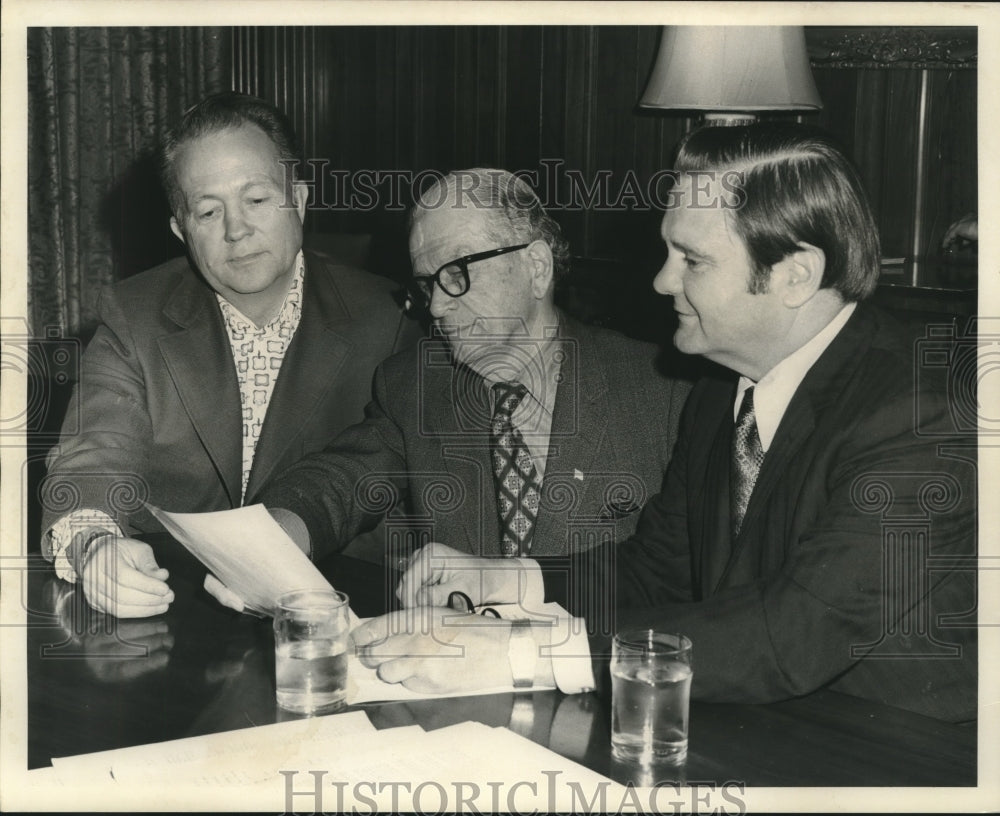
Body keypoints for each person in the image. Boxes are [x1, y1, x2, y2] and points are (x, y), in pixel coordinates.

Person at [354, 125, 977, 723]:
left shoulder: (925, 414)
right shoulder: (718, 387)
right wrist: (515, 579)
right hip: (757, 721)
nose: (661, 280)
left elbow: (794, 631)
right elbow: (660, 567)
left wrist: (523, 654)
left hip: (904, 753)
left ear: (796, 274)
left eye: (693, 260)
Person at [40, 92, 419, 619]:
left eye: (258, 200)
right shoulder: (136, 314)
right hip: (175, 609)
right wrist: (94, 546)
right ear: (181, 230)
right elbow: (93, 451)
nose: (236, 230)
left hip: (332, 610)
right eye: (208, 210)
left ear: (300, 200)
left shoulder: (392, 320)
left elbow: (401, 495)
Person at [259, 168, 691, 566]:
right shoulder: (414, 387)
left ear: (536, 268)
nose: (438, 306)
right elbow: (338, 483)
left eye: (457, 271)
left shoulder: (662, 391)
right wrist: (267, 542)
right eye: (427, 285)